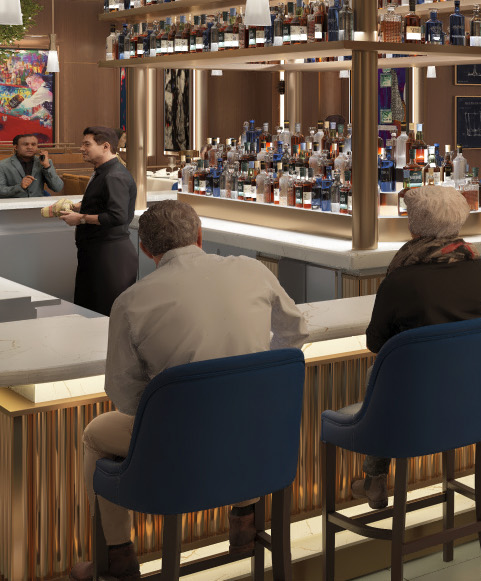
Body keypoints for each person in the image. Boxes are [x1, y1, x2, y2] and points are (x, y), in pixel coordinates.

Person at [71, 200, 308, 581]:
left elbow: (126, 396)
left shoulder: (131, 302)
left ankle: (118, 554)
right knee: (235, 422)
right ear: (199, 236)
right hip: (260, 432)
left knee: (95, 435)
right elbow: (296, 332)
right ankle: (244, 519)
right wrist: (257, 374)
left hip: (179, 449)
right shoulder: (252, 270)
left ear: (147, 251)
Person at [351, 185, 481, 506]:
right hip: (468, 403)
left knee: (381, 374)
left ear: (415, 226)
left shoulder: (400, 280)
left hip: (412, 407)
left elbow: (376, 342)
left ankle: (375, 475)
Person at [57, 126, 138, 315]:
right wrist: (80, 206)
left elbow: (117, 216)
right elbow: (105, 203)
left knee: (103, 316)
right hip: (97, 254)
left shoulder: (114, 175)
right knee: (89, 312)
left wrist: (81, 218)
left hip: (110, 257)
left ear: (106, 146)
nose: (81, 148)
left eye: (87, 144)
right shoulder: (103, 171)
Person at [0, 132, 63, 198]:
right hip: (13, 207)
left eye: (33, 144)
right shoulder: (1, 166)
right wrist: (20, 187)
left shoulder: (45, 162)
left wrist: (47, 167)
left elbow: (58, 188)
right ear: (16, 147)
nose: (30, 147)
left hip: (38, 206)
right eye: (25, 144)